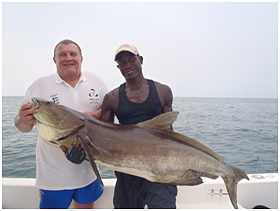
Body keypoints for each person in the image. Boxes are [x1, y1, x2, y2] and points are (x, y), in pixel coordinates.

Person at [14, 39, 108, 209]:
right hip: (53, 176)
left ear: (81, 58)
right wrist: (23, 119)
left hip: (88, 172)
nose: (68, 58)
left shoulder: (96, 81)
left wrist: (93, 115)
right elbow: (22, 126)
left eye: (73, 54)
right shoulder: (40, 85)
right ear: (54, 60)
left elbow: (108, 112)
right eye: (62, 54)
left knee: (86, 206)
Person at [100, 44, 178, 208]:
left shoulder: (163, 91)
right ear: (118, 67)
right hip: (127, 171)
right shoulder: (111, 98)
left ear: (140, 60)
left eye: (131, 60)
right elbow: (103, 137)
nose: (127, 65)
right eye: (122, 63)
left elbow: (170, 134)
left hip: (159, 169)